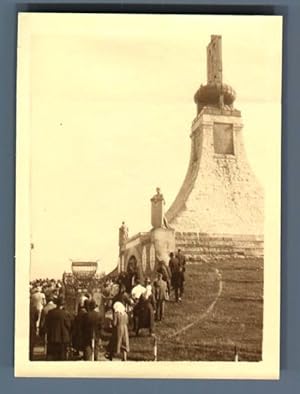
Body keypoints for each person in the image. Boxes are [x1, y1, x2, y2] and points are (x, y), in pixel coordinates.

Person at [45, 296, 72, 360]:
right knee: (62, 357)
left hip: (52, 337)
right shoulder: (65, 313)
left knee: (52, 356)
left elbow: (47, 324)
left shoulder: (50, 312)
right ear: (62, 305)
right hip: (63, 338)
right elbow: (68, 325)